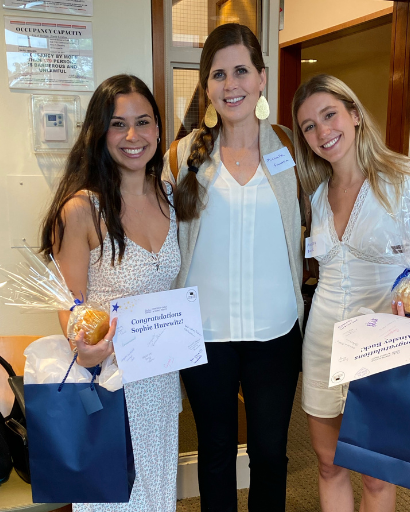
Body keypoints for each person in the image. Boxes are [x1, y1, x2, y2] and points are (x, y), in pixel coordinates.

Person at [165, 23, 305, 512]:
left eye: (241, 71)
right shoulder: (182, 156)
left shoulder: (291, 150)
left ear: (262, 77)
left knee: (271, 453)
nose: (231, 85)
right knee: (217, 451)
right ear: (206, 87)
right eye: (219, 75)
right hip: (204, 335)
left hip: (276, 333)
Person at [39, 73, 181, 511]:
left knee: (157, 495)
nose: (133, 136)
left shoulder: (170, 197)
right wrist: (82, 346)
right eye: (118, 124)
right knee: (116, 498)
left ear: (159, 128)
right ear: (99, 134)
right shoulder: (82, 209)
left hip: (161, 379)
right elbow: (69, 302)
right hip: (111, 382)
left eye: (144, 122)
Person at [292, 74, 410, 512]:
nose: (322, 132)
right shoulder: (316, 196)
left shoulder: (404, 181)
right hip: (323, 343)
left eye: (329, 114)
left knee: (375, 473)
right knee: (329, 464)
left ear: (354, 114)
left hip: (381, 342)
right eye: (309, 126)